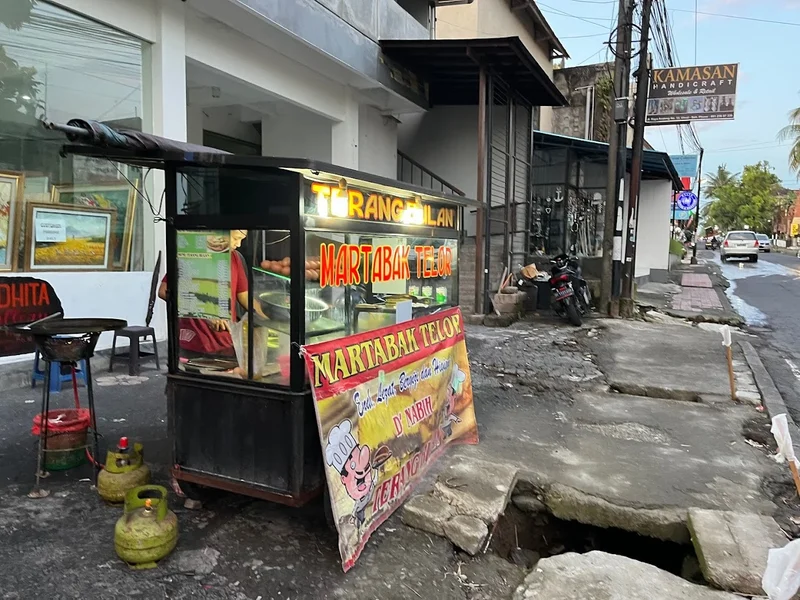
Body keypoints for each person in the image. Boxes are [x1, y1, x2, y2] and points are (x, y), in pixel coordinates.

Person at [158, 230, 264, 358]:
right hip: (195, 343)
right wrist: (206, 313)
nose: (239, 244)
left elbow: (244, 295)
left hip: (227, 342)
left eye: (242, 239)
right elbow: (164, 291)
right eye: (236, 238)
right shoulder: (192, 255)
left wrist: (267, 318)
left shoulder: (234, 257)